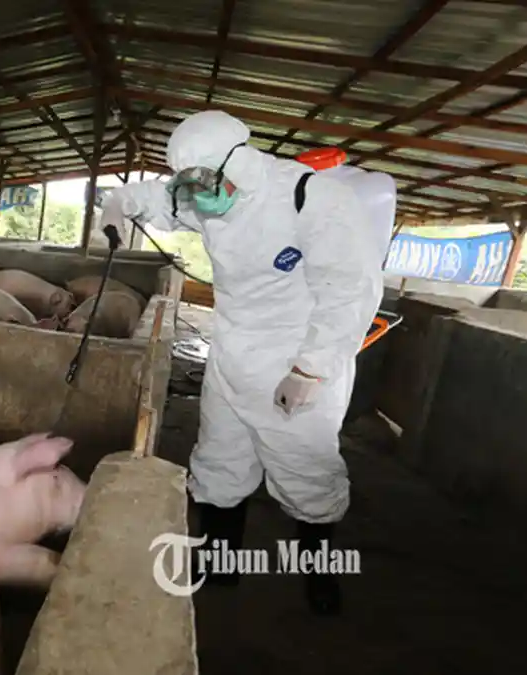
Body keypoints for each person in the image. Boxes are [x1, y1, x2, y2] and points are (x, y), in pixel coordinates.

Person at [99, 110, 385, 615]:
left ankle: (317, 573)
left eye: (204, 179)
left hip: (296, 358)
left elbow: (349, 290)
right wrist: (117, 204)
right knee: (218, 461)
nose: (196, 193)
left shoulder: (311, 199)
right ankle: (221, 562)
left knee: (306, 469)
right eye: (187, 183)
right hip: (230, 351)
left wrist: (311, 369)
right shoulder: (206, 195)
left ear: (241, 160)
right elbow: (152, 198)